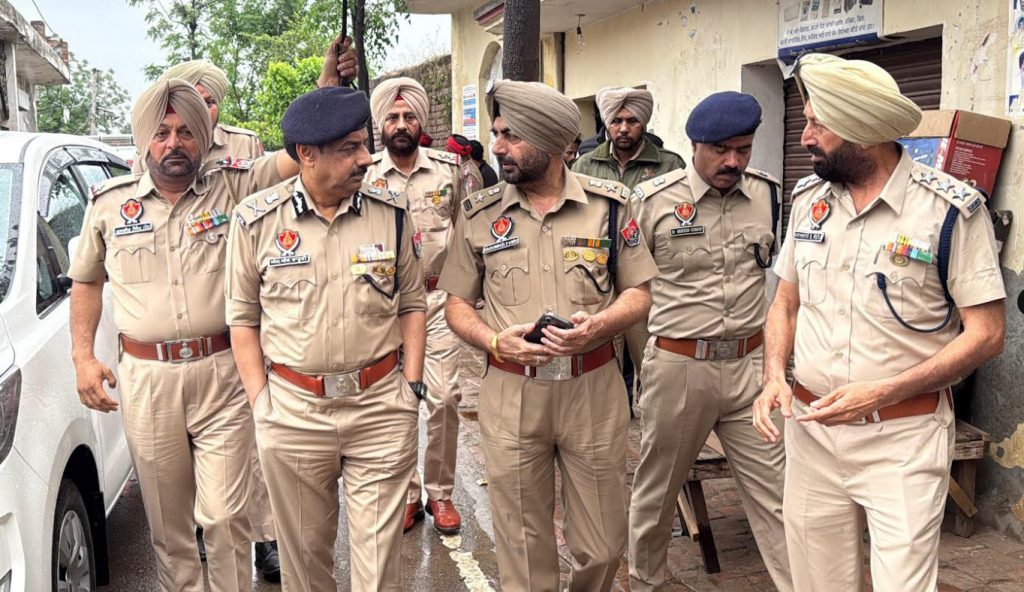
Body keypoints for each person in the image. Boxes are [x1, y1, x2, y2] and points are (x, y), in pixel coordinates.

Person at [752, 53, 1006, 591]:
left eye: (818, 125)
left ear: (864, 134)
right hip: (812, 433)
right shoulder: (808, 200)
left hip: (902, 439)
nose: (805, 138)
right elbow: (785, 303)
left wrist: (883, 392)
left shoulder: (950, 211)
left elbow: (987, 335)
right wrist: (774, 373)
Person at [69, 79, 301, 592]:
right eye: (161, 133)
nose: (173, 143)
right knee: (170, 527)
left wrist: (331, 84)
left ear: (204, 137)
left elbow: (299, 156)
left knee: (226, 517)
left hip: (223, 377)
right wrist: (83, 357)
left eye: (185, 132)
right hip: (148, 381)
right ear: (143, 141)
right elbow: (86, 281)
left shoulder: (233, 186)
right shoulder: (109, 204)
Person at [440, 80, 658, 591]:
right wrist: (495, 342)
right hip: (512, 391)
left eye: (511, 136)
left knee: (603, 544)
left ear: (551, 141)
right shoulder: (479, 213)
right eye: (496, 133)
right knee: (522, 543)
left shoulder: (609, 207)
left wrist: (599, 325)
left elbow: (639, 293)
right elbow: (456, 305)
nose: (497, 147)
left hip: (592, 390)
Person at [226, 86, 427, 592]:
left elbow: (412, 303)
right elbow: (242, 319)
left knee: (378, 571)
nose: (366, 158)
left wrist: (411, 387)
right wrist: (261, 404)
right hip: (293, 414)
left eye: (364, 144)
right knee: (305, 568)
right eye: (350, 148)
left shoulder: (391, 212)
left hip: (380, 409)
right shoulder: (255, 221)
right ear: (307, 155)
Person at [627, 91, 792, 592]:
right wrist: (639, 372)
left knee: (781, 495)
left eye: (743, 149)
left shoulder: (767, 195)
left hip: (750, 372)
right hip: (679, 369)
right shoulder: (653, 202)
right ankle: (646, 583)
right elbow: (630, 291)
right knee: (657, 493)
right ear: (695, 145)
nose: (733, 161)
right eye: (721, 150)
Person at [365, 78, 483, 535]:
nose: (401, 124)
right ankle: (408, 494)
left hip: (436, 301)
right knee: (394, 403)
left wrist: (466, 294)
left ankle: (440, 492)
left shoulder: (449, 171)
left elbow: (467, 233)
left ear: (421, 122)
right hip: (384, 303)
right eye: (393, 118)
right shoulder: (366, 175)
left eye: (409, 116)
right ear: (381, 125)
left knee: (444, 397)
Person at [573, 87, 685, 409]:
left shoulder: (669, 165)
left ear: (644, 123)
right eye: (616, 121)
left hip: (649, 283)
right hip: (599, 280)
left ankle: (653, 423)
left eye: (632, 121)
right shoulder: (584, 166)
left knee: (651, 367)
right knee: (599, 364)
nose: (623, 128)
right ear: (607, 124)